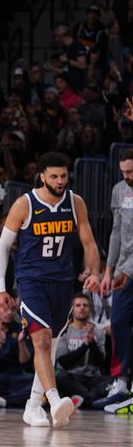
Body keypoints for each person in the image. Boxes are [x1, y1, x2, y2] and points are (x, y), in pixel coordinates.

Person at [0, 151, 101, 428]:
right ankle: (54, 402)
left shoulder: (75, 202)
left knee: (50, 345)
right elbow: (3, 246)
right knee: (40, 340)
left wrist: (94, 272)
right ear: (42, 176)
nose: (60, 180)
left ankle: (32, 406)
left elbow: (89, 245)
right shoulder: (25, 203)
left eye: (64, 175)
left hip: (63, 282)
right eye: (54, 176)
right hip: (31, 281)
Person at [98, 143, 133, 412]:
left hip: (128, 271)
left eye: (131, 172)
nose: (126, 176)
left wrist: (124, 271)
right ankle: (120, 381)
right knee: (118, 322)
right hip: (122, 270)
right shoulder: (119, 190)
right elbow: (116, 232)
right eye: (123, 172)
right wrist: (109, 269)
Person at [56, 293, 111, 409]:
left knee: (114, 380)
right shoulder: (64, 331)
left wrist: (92, 343)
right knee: (60, 377)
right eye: (78, 305)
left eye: (85, 305)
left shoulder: (98, 331)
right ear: (72, 309)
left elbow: (101, 363)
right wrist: (84, 346)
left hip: (92, 378)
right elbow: (63, 362)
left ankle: (81, 399)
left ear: (90, 308)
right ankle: (93, 400)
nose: (82, 308)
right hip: (72, 377)